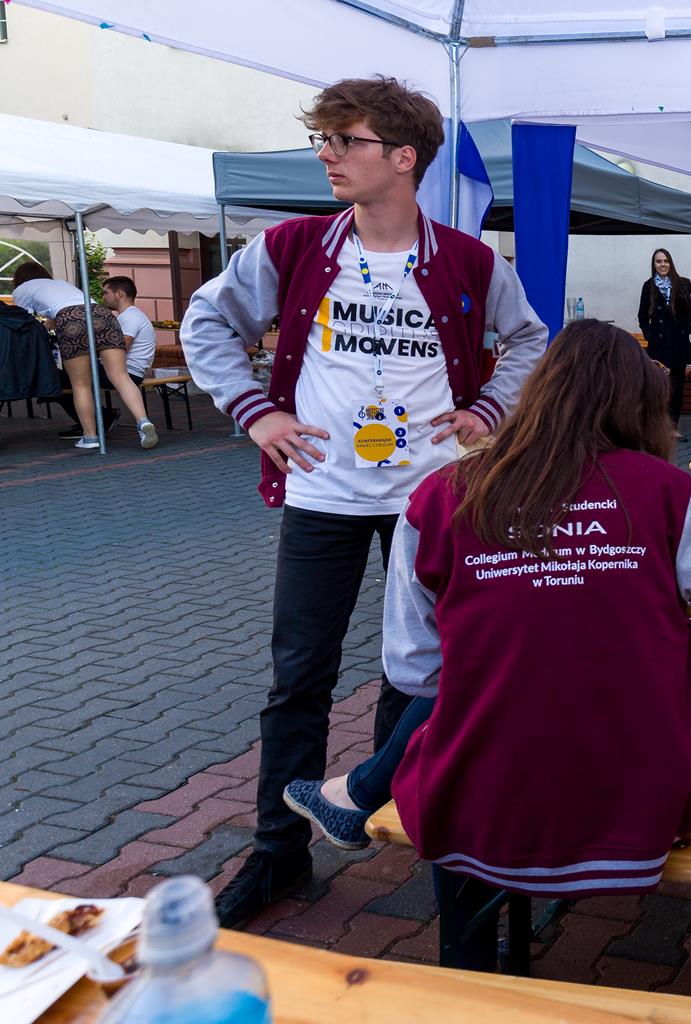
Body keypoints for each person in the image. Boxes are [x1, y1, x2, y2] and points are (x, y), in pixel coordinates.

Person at [281, 320, 691, 971]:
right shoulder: (666, 492)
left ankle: (469, 968)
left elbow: (413, 670)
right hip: (645, 801)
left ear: (539, 391)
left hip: (485, 803)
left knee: (458, 758)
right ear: (642, 404)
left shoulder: (439, 498)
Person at [179, 75, 546, 929]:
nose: (327, 155)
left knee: (420, 672)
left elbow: (531, 339)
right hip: (323, 494)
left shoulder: (470, 261)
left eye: (347, 140)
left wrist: (490, 410)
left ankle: (390, 816)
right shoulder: (295, 246)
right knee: (298, 679)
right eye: (326, 139)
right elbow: (206, 323)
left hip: (432, 501)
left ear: (404, 157)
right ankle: (279, 851)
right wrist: (257, 411)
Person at [10, 262, 158, 450]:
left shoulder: (21, 291)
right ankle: (143, 422)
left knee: (81, 385)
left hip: (71, 320)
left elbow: (24, 323)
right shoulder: (60, 284)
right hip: (102, 314)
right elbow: (68, 307)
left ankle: (90, 436)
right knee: (121, 377)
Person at [637, 247, 691, 432]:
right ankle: (657, 426)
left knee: (676, 387)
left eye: (665, 261)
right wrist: (649, 334)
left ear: (670, 263)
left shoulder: (683, 284)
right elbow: (642, 316)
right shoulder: (648, 286)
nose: (662, 264)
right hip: (658, 344)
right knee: (658, 386)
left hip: (678, 344)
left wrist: (684, 331)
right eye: (658, 261)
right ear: (654, 264)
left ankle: (673, 427)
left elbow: (688, 313)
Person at [101, 276, 159, 385]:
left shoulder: (131, 316)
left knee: (72, 372)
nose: (103, 297)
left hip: (128, 374)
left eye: (106, 293)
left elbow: (119, 349)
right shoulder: (128, 315)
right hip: (124, 371)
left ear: (119, 294)